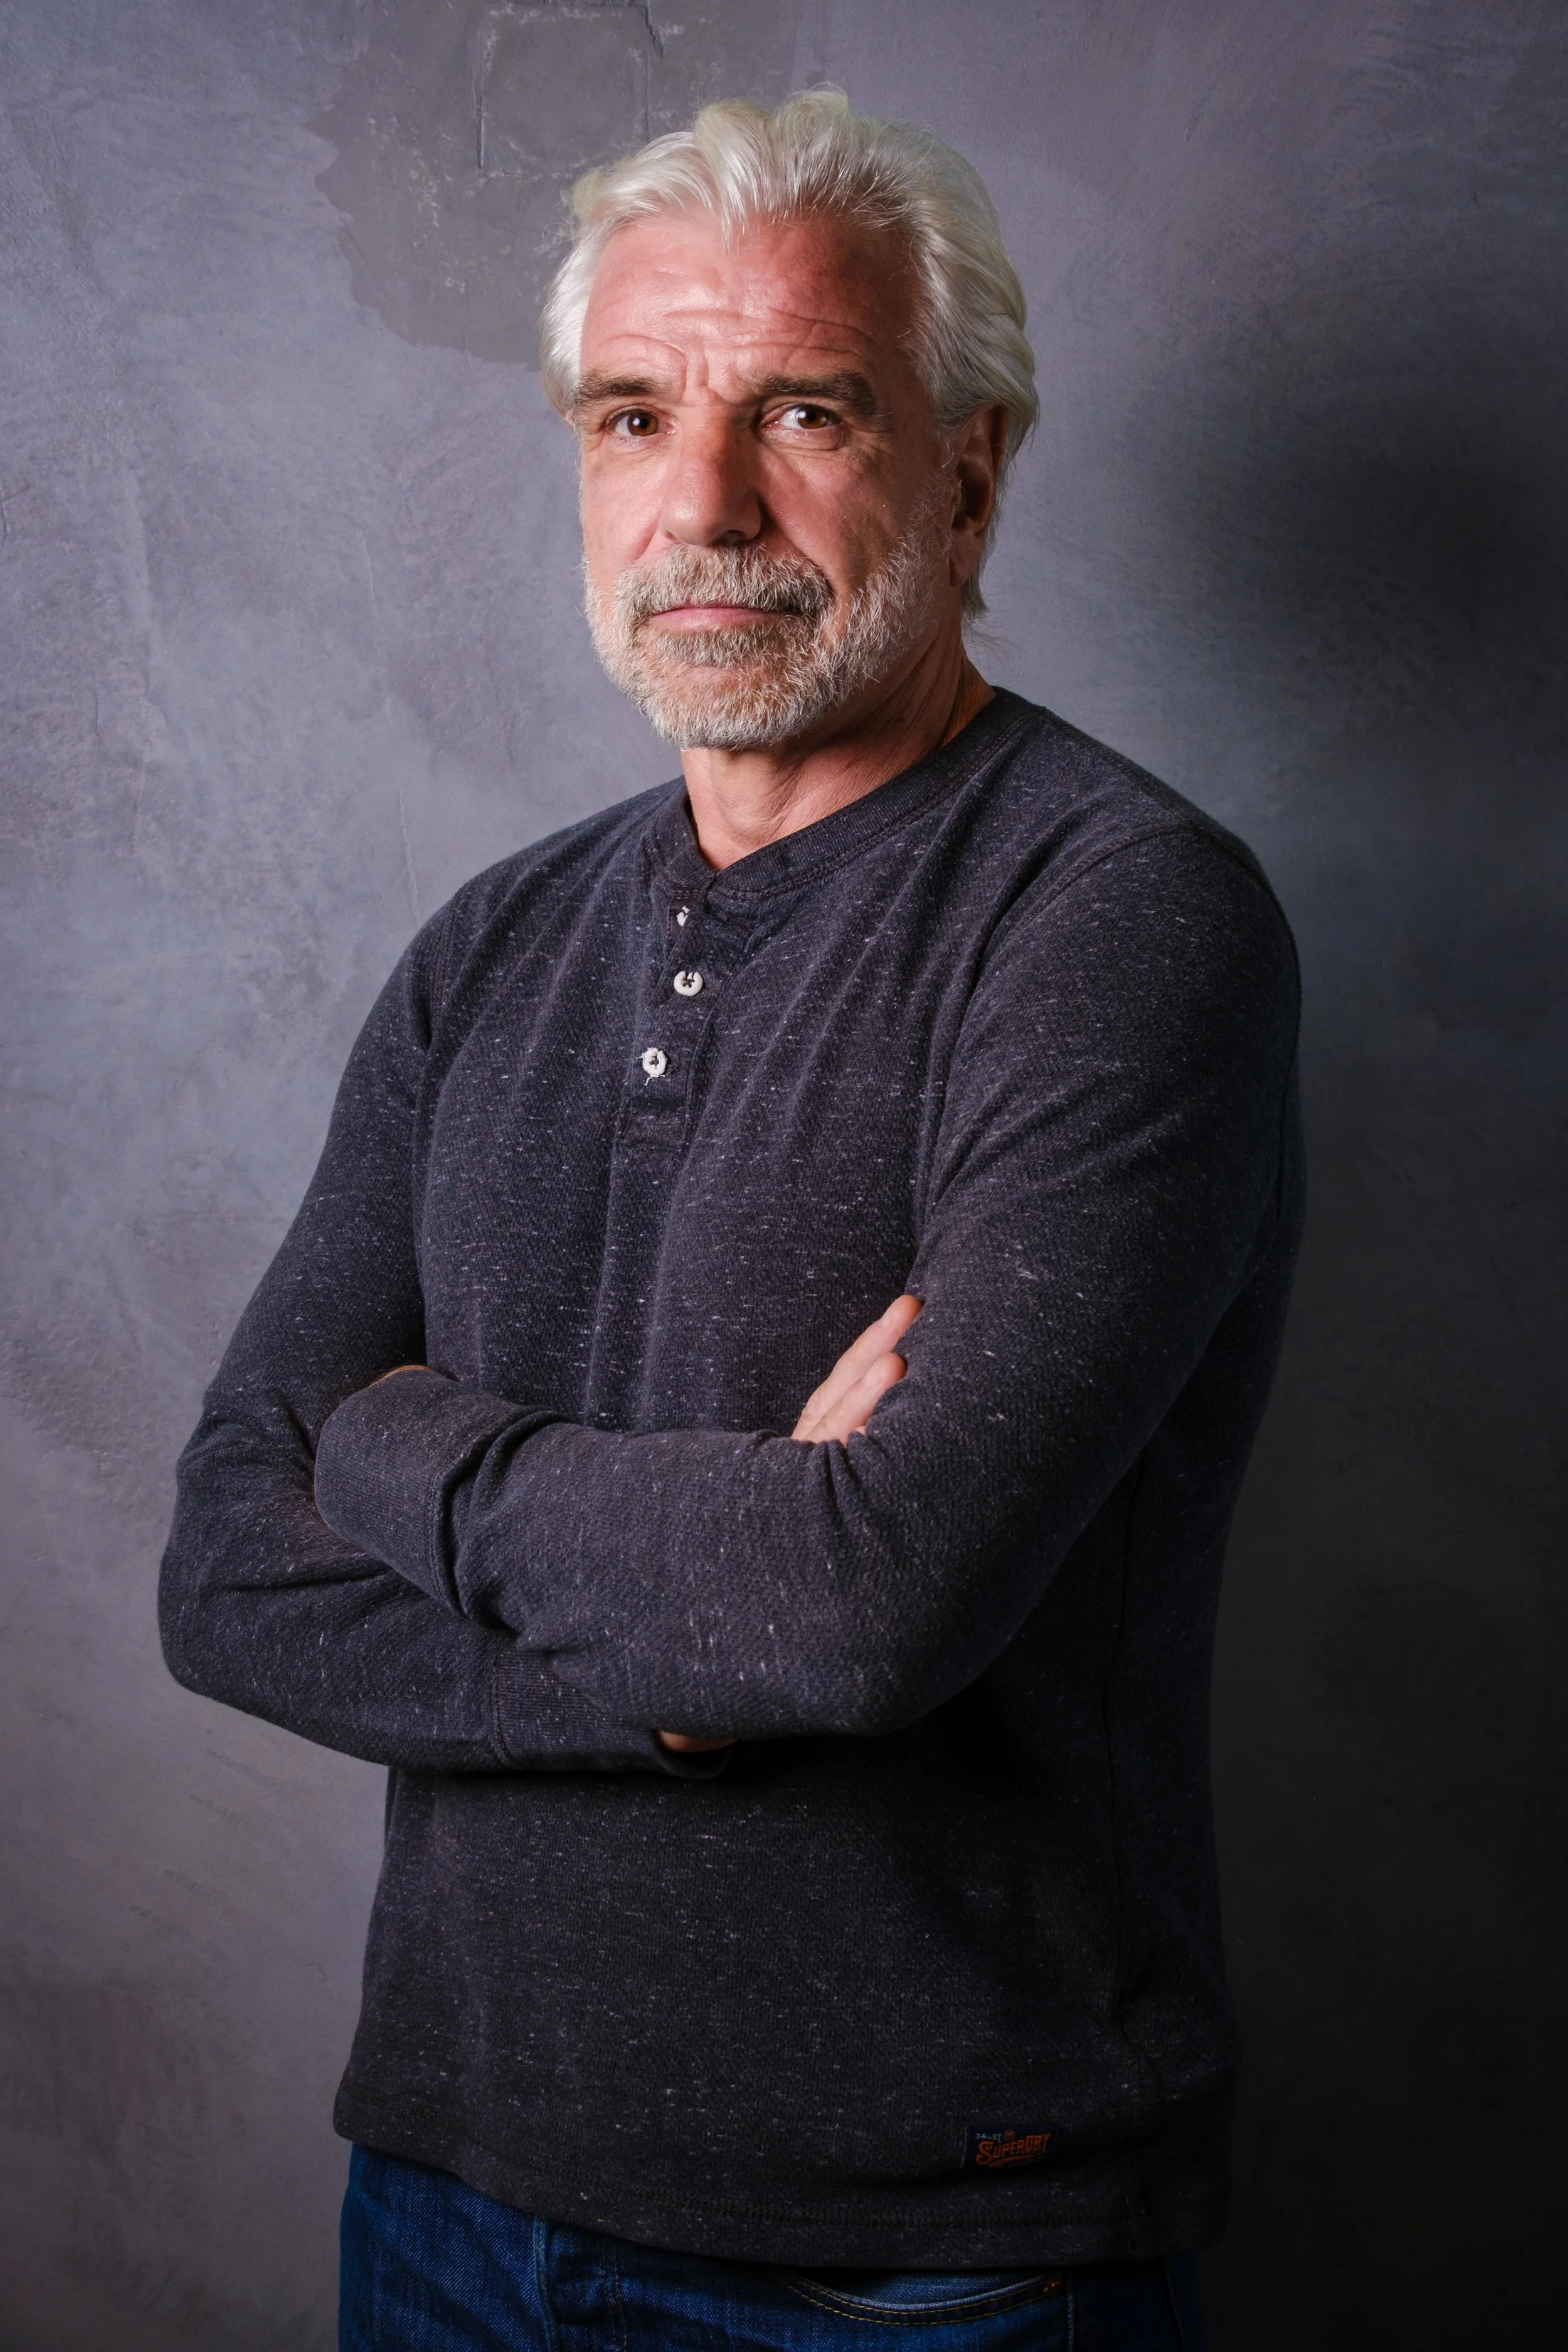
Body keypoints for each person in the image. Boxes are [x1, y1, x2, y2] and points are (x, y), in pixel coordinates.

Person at [160, 88, 1301, 2352]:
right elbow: (220, 1569)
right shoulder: (488, 946)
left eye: (803, 409)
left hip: (920, 2261)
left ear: (968, 469)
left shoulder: (1118, 921)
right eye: (631, 413)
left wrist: (400, 1451)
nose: (703, 505)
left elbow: (862, 1613)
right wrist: (690, 1656)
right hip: (452, 2185)